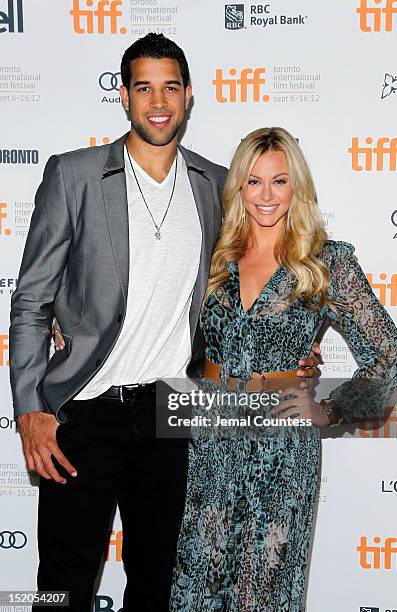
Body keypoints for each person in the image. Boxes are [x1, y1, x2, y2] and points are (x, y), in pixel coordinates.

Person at [8, 37, 319, 612]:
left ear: (189, 96)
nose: (158, 101)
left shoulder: (216, 185)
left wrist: (291, 353)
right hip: (83, 412)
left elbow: (257, 278)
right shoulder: (72, 176)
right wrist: (30, 408)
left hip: (173, 418)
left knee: (157, 586)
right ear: (123, 96)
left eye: (170, 87)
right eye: (144, 87)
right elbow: (30, 302)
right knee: (59, 586)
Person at [170, 127, 397, 612]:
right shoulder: (211, 251)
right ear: (238, 185)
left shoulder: (325, 261)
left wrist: (329, 410)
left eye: (279, 181)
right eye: (253, 181)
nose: (266, 195)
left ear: (296, 186)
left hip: (281, 445)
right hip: (207, 434)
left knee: (265, 587)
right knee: (194, 584)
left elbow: (389, 357)